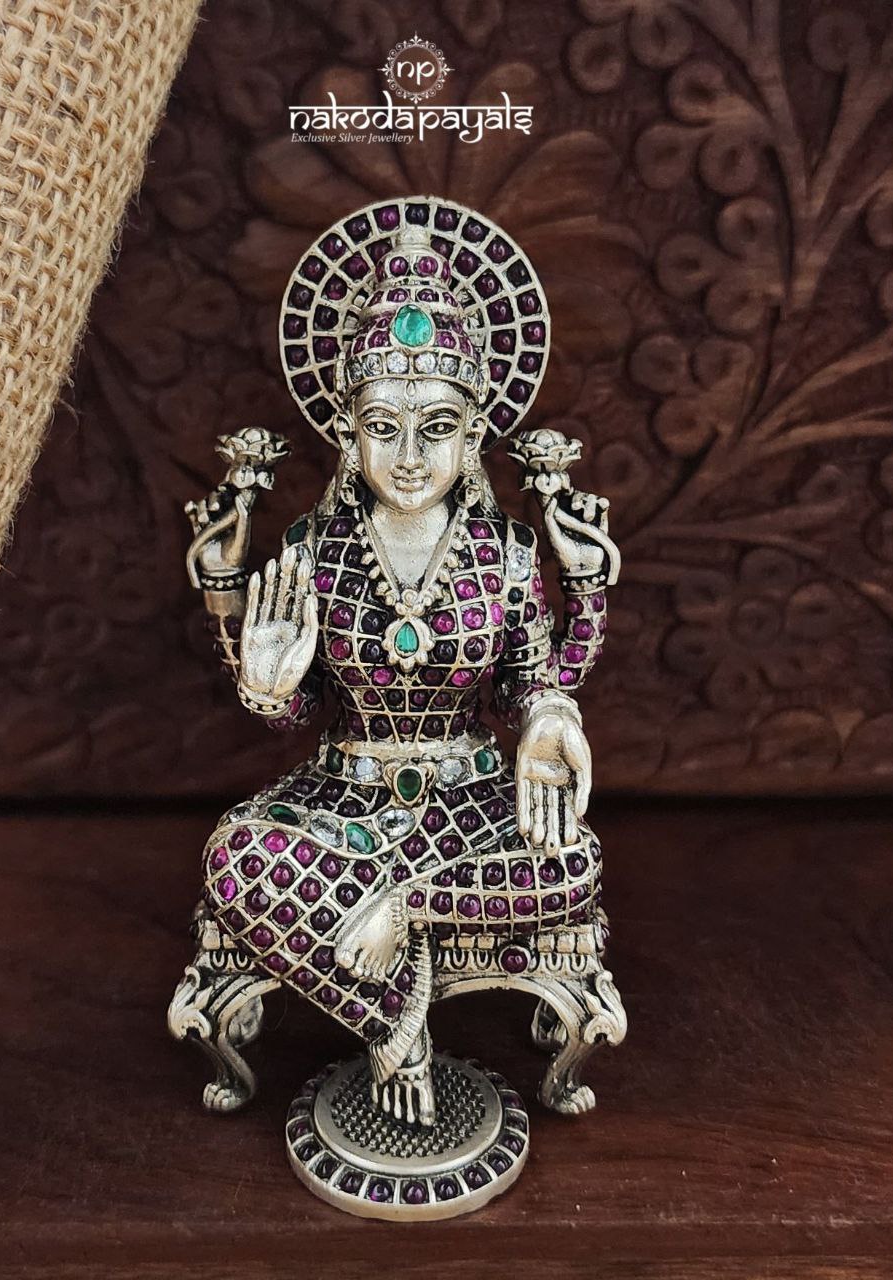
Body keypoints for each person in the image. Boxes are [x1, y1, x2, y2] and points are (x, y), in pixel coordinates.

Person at [185, 223, 618, 1127]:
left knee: (572, 859)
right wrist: (266, 680)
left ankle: (404, 910)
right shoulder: (318, 550)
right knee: (234, 850)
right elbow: (296, 711)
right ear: (351, 434)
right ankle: (394, 1026)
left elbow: (530, 684)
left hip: (468, 800)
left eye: (438, 428)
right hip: (342, 799)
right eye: (385, 428)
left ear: (474, 433)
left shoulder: (504, 552)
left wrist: (550, 717)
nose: (411, 456)